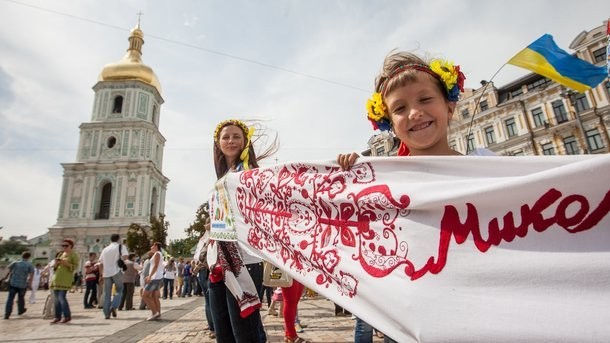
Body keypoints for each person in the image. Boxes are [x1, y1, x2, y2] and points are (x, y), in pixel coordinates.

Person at [338, 51, 491, 343]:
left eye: (424, 99)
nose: (414, 113)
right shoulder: (382, 184)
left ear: (450, 105)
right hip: (408, 325)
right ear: (389, 125)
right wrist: (348, 177)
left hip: (476, 318)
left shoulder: (488, 167)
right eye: (400, 108)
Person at [208, 119, 278, 343]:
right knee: (224, 333)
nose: (230, 141)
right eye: (226, 137)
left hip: (244, 262)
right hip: (219, 264)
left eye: (236, 136)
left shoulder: (251, 174)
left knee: (245, 334)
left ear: (245, 142)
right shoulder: (223, 176)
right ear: (218, 143)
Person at [98, 233, 128, 320]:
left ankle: (106, 314)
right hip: (116, 272)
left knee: (107, 293)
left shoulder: (105, 249)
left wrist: (101, 274)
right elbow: (125, 257)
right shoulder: (121, 247)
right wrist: (120, 259)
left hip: (106, 274)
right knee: (119, 290)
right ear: (118, 239)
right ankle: (114, 306)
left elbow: (100, 263)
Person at [193, 224, 215, 338]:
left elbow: (196, 257)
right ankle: (214, 327)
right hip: (207, 269)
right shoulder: (212, 236)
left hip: (202, 270)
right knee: (212, 300)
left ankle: (211, 325)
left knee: (208, 300)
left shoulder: (203, 238)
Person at [50, 239, 79, 324]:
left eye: (66, 245)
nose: (64, 247)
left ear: (71, 246)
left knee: (62, 298)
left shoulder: (74, 255)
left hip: (65, 279)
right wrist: (56, 263)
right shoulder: (60, 254)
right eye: (63, 245)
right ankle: (57, 317)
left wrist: (65, 263)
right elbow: (54, 267)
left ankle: (67, 316)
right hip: (57, 278)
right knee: (56, 299)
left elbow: (75, 266)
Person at [4, 251, 34, 319]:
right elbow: (31, 275)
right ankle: (20, 310)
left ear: (22, 255)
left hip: (13, 283)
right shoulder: (29, 265)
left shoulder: (16, 262)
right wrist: (30, 284)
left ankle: (7, 313)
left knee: (10, 299)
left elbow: (8, 268)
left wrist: (6, 277)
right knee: (21, 298)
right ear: (29, 257)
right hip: (22, 284)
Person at [142, 242, 164, 321]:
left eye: (152, 245)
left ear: (156, 246)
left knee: (145, 295)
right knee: (154, 296)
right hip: (157, 277)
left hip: (155, 278)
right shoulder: (158, 254)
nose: (151, 247)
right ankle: (158, 313)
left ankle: (154, 312)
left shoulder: (157, 254)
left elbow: (155, 266)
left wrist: (150, 276)